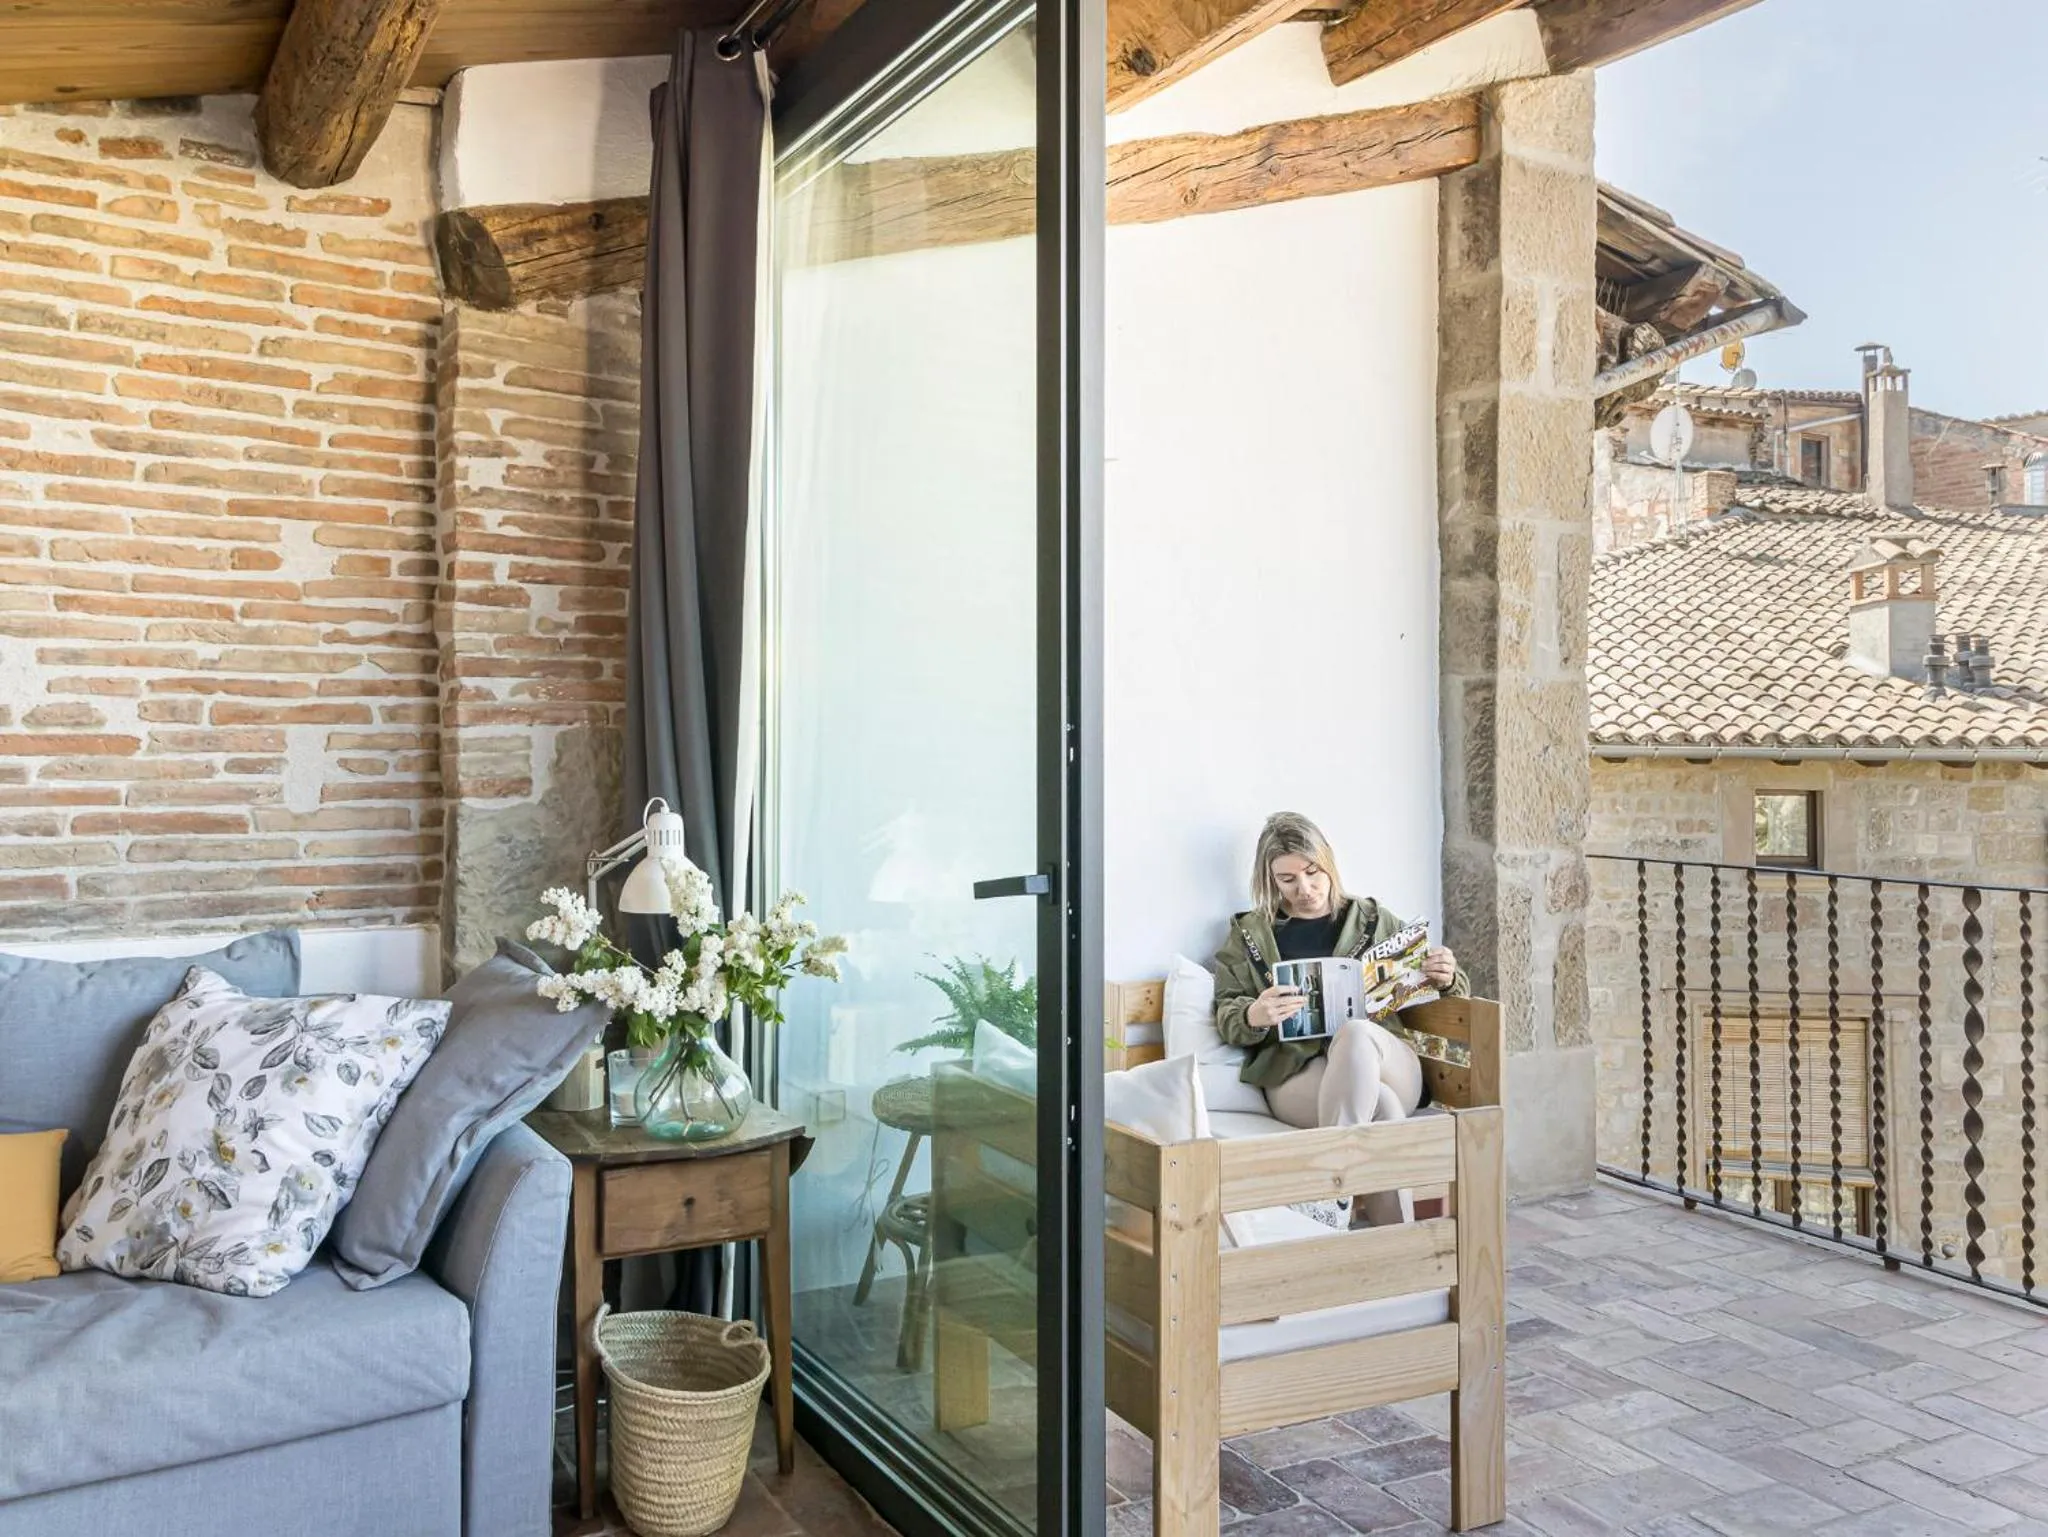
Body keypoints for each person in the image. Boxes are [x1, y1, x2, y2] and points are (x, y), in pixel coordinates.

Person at [1213, 811, 1469, 1225]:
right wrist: (1254, 1013)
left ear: (1328, 863)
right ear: (1269, 879)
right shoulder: (1250, 936)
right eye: (1287, 879)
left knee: (1356, 1035)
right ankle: (1398, 1250)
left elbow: (1445, 986)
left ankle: (1328, 1188)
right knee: (1382, 1108)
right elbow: (1227, 1011)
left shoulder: (1371, 920)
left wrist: (1447, 975)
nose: (1305, 889)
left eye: (1313, 873)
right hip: (1300, 1072)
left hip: (1387, 1063)